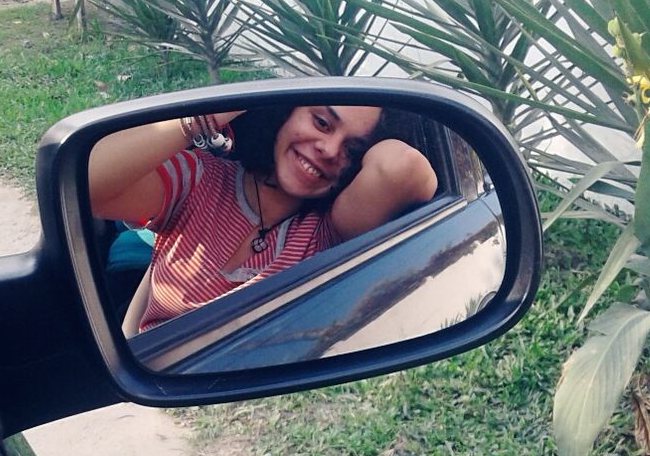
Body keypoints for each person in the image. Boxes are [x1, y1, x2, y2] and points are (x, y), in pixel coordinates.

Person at [89, 103, 438, 332]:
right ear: (284, 112)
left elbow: (401, 167)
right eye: (321, 122)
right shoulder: (199, 181)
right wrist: (207, 117)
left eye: (353, 149)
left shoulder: (327, 235)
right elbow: (87, 188)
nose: (330, 150)